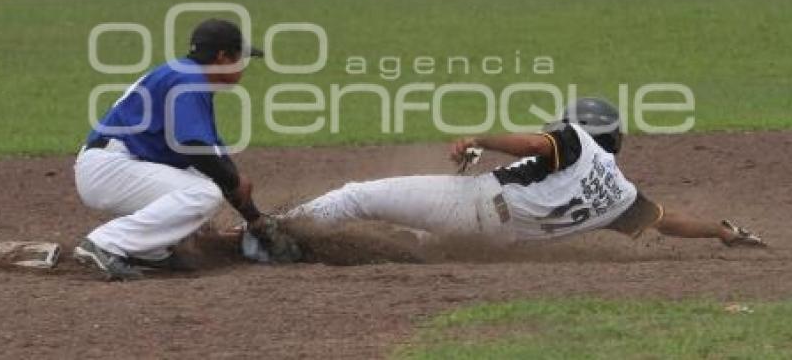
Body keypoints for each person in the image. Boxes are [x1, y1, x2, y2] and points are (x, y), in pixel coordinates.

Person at [243, 98, 764, 261]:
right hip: (492, 239)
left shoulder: (573, 142)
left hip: (473, 208)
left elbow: (538, 145)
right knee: (418, 242)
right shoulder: (623, 196)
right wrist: (721, 230)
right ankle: (322, 249)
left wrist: (481, 138)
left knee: (359, 197)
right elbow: (668, 222)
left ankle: (271, 231)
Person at [73, 19, 300, 280]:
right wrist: (232, 180)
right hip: (109, 168)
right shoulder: (189, 80)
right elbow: (193, 148)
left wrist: (256, 220)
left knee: (207, 180)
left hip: (118, 165)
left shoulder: (188, 77)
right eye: (241, 57)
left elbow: (216, 165)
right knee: (203, 194)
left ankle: (149, 250)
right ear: (223, 57)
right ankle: (104, 243)